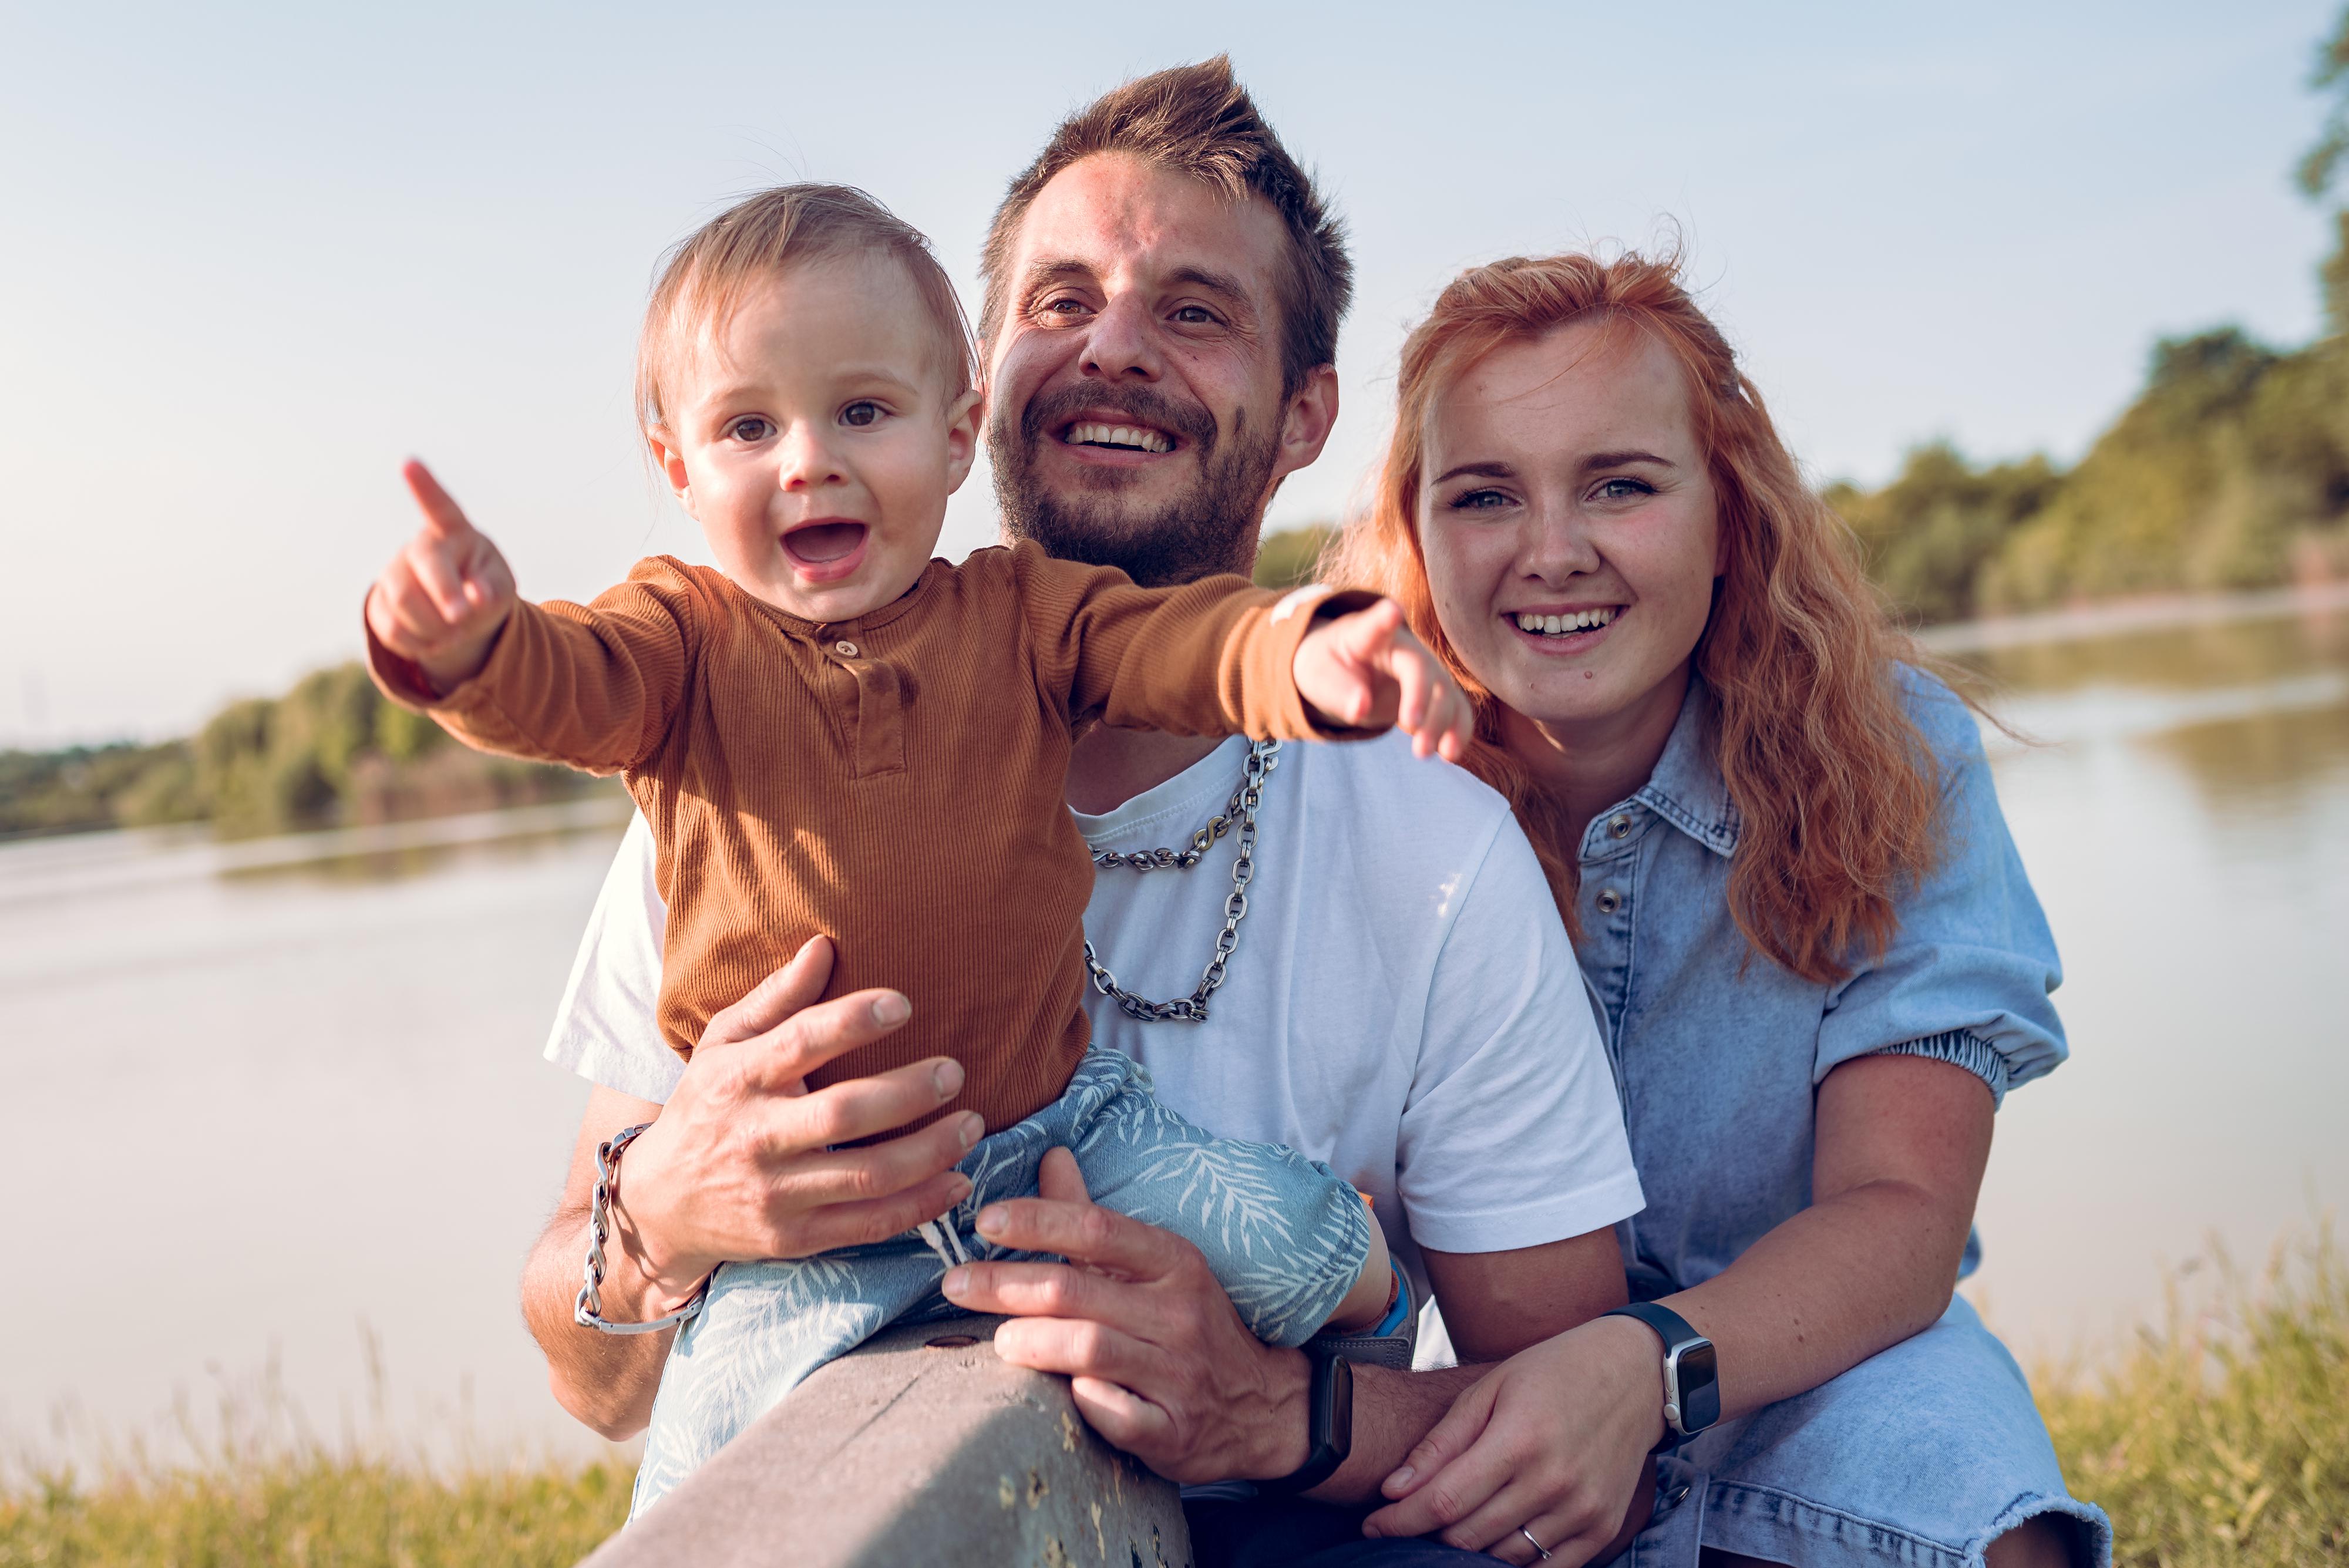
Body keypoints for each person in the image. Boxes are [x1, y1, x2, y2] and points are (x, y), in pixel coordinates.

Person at [513, 60, 1650, 1560]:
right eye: (1061, 300)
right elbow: (592, 1386)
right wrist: (661, 1213)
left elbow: (1580, 1443)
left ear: (1306, 411)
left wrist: (1265, 1412)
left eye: (1192, 311)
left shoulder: (1432, 848)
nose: (1112, 348)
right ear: (984, 372)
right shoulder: (739, 766)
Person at [364, 181, 1490, 1509]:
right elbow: (563, 681)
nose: (807, 461)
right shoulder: (680, 647)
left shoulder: (1020, 617)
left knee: (1295, 1234)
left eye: (861, 412)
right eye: (747, 426)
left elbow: (1177, 645)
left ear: (956, 434)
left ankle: (1365, 1297)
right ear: (677, 468)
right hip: (802, 1235)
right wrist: (466, 644)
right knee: (706, 1491)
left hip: (1056, 1141)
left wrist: (1305, 646)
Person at [1297, 252, 2114, 1567]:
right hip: (1482, 1389)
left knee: (1985, 1532)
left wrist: (1644, 1366)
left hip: (1821, 1358)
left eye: (1619, 485)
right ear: (1418, 537)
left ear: (1728, 513)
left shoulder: (1894, 754)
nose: (1551, 553)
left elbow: (1901, 1209)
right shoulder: (1352, 798)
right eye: (1484, 495)